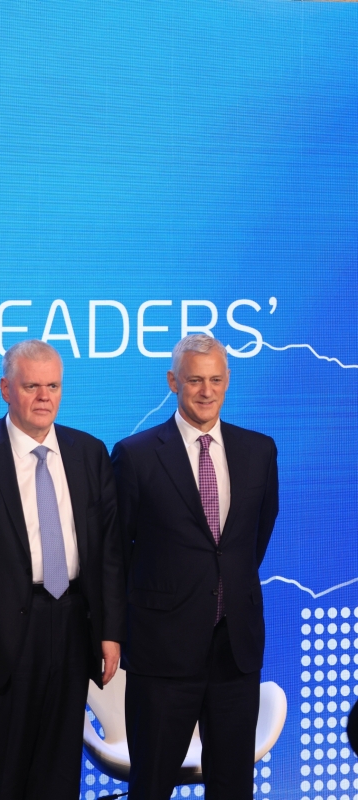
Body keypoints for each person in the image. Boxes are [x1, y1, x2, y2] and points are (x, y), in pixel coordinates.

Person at [0, 339, 125, 799]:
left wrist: (111, 630)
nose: (44, 397)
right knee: (4, 770)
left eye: (53, 386)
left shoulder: (88, 452)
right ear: (6, 390)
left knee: (59, 771)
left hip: (72, 624)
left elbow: (109, 552)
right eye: (32, 386)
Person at [112, 334, 279, 799]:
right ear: (173, 382)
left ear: (228, 381)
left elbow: (252, 539)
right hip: (161, 652)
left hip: (235, 650)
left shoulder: (259, 451)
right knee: (152, 785)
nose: (207, 391)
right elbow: (116, 552)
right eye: (195, 381)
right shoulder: (136, 455)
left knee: (232, 787)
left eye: (216, 380)